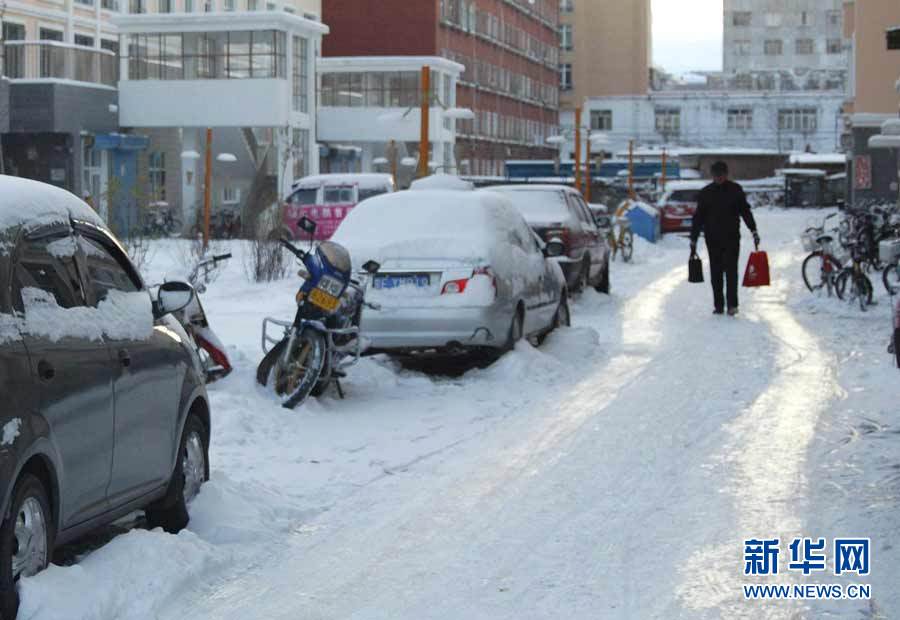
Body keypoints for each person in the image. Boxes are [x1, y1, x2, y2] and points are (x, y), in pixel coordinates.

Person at [689, 161, 760, 316]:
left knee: (731, 271)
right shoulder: (706, 192)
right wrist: (693, 238)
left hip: (732, 237)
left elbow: (745, 211)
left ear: (726, 174)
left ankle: (732, 305)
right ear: (712, 175)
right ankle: (719, 306)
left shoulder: (735, 190)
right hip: (712, 238)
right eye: (716, 175)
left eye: (721, 175)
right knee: (716, 272)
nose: (719, 178)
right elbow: (698, 217)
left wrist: (753, 229)